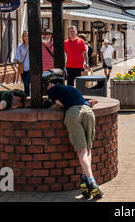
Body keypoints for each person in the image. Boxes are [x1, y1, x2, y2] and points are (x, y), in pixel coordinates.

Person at [42, 69, 102, 199]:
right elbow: (83, 101)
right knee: (88, 149)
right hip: (87, 111)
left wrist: (52, 107)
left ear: (51, 83)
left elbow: (58, 104)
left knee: (81, 151)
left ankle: (92, 182)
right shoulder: (71, 88)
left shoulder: (52, 90)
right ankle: (85, 179)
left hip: (73, 114)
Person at [14, 31, 30, 96]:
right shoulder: (20, 46)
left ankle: (28, 96)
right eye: (25, 36)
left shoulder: (32, 45)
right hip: (23, 68)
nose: (26, 37)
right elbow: (17, 56)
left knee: (28, 83)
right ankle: (27, 97)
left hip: (31, 68)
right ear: (23, 38)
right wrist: (15, 60)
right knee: (26, 84)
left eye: (27, 35)